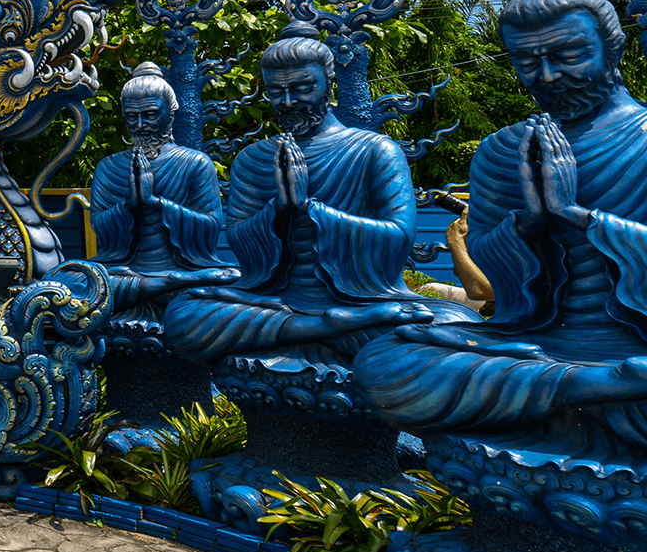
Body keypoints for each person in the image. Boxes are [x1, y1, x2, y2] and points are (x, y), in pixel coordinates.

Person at [357, 0, 647, 450]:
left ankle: (588, 389)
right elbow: (491, 282)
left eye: (568, 54)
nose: (547, 75)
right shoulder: (503, 151)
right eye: (527, 61)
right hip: (536, 345)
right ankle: (599, 387)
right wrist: (528, 223)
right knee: (387, 361)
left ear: (612, 48)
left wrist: (577, 215)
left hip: (626, 344)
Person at [162, 23, 475, 365]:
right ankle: (326, 325)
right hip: (280, 300)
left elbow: (398, 237)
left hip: (363, 300)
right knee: (185, 312)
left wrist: (308, 208)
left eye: (302, 87)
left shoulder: (373, 150)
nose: (288, 101)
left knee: (459, 328)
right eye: (276, 91)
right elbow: (240, 241)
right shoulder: (253, 159)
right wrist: (278, 211)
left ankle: (326, 323)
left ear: (329, 81)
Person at [89, 62, 237, 315]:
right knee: (71, 279)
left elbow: (211, 225)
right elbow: (100, 229)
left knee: (227, 282)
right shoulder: (109, 167)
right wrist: (129, 205)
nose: (140, 125)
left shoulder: (195, 163)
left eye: (150, 114)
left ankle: (169, 283)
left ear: (171, 112)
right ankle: (162, 285)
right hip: (123, 274)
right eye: (131, 116)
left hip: (183, 268)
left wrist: (156, 203)